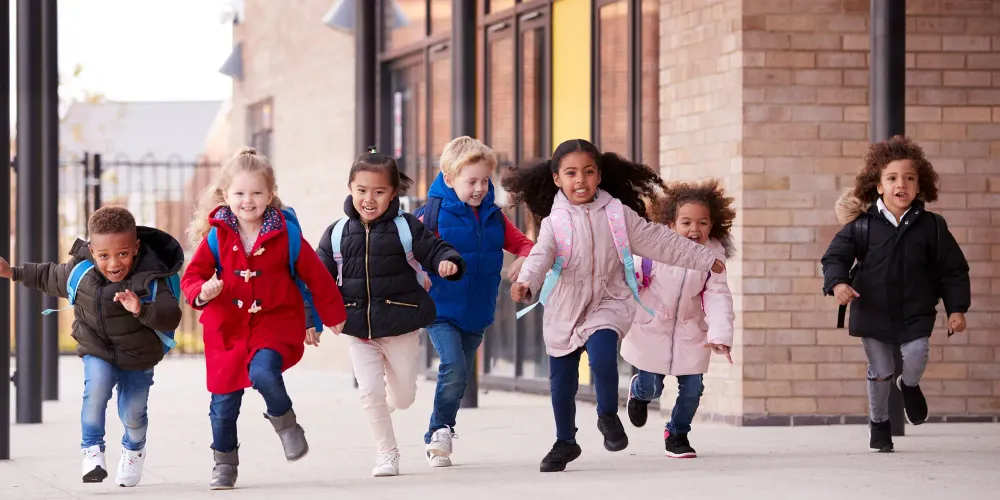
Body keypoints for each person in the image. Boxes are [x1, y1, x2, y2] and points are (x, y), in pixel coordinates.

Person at [503, 138, 725, 472]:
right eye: (572, 173)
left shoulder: (618, 215)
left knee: (604, 354)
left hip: (609, 299)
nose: (581, 180)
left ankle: (607, 415)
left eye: (589, 172)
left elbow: (659, 240)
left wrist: (703, 258)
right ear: (557, 179)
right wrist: (526, 283)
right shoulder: (554, 222)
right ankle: (565, 441)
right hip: (565, 306)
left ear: (599, 175)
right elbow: (540, 256)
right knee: (561, 382)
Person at [181, 147, 347, 488]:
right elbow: (192, 277)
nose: (248, 200)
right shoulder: (217, 236)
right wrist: (203, 290)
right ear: (226, 196)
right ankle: (224, 463)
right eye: (240, 193)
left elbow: (316, 276)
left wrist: (331, 314)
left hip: (273, 324)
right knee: (223, 405)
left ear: (270, 195)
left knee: (263, 371)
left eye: (257, 193)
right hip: (227, 329)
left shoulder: (286, 235)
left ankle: (285, 422)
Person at [308, 147, 465, 477]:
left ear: (393, 193)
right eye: (362, 190)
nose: (369, 199)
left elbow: (434, 249)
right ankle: (387, 453)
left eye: (379, 192)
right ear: (350, 188)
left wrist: (446, 261)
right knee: (369, 392)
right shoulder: (336, 233)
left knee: (404, 397)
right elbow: (317, 280)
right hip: (359, 329)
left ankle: (385, 405)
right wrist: (314, 319)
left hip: (400, 325)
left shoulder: (405, 227)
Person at [0, 206, 183, 487]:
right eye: (104, 256)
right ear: (92, 251)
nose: (113, 264)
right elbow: (48, 276)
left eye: (122, 253)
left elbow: (172, 314)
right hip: (97, 347)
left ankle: (134, 449)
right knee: (95, 392)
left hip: (139, 355)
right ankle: (92, 450)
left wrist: (141, 309)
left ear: (135, 248)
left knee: (133, 414)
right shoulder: (81, 270)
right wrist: (12, 272)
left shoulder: (152, 275)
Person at [821, 135, 970, 452]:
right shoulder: (862, 226)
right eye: (892, 178)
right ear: (878, 186)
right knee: (881, 371)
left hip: (916, 308)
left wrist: (956, 309)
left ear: (919, 186)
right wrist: (837, 283)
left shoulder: (932, 226)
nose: (901, 184)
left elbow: (953, 269)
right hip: (872, 308)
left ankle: (910, 385)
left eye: (909, 178)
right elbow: (835, 257)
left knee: (916, 356)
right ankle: (879, 424)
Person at [413, 136, 534, 467]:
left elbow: (524, 244)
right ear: (450, 180)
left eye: (485, 180)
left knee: (461, 373)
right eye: (472, 181)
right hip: (440, 308)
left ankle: (445, 426)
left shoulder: (494, 216)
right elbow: (408, 254)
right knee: (453, 366)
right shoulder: (430, 216)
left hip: (478, 308)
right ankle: (438, 431)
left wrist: (524, 260)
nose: (480, 188)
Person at [622, 178, 736, 459]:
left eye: (702, 223)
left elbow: (718, 296)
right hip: (652, 328)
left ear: (713, 224)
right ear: (671, 223)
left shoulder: (713, 258)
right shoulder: (653, 250)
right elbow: (629, 278)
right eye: (686, 222)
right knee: (653, 388)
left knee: (693, 389)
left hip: (690, 331)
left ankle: (677, 433)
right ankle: (638, 392)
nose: (694, 230)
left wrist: (720, 334)